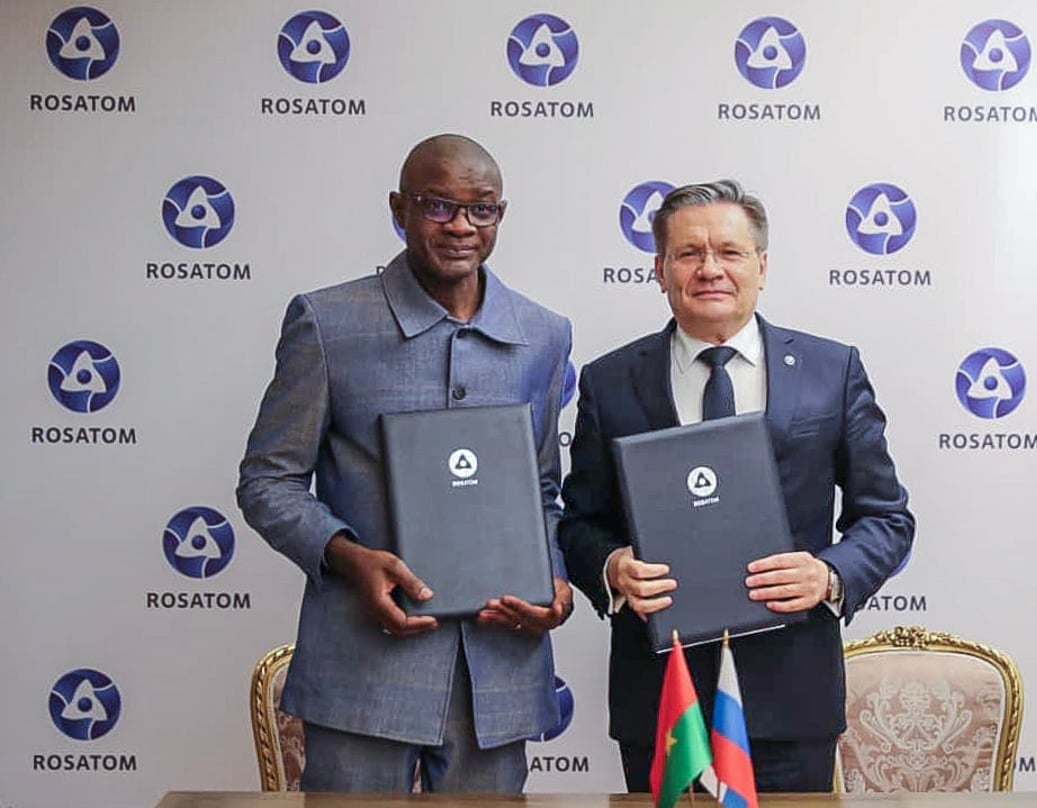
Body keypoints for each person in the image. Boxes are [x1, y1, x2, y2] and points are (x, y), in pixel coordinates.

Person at [237, 133, 573, 793]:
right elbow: (268, 480)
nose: (461, 227)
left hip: (497, 673)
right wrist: (347, 555)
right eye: (438, 206)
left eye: (482, 210)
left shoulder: (544, 333)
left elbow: (541, 490)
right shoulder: (328, 322)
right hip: (363, 669)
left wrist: (553, 584)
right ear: (400, 208)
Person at [557, 179, 914, 793]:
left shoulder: (833, 371)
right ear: (660, 269)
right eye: (690, 253)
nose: (710, 269)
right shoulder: (610, 381)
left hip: (790, 698)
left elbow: (886, 518)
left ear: (762, 265)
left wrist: (828, 576)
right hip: (660, 703)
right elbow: (578, 521)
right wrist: (612, 568)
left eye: (730, 251)